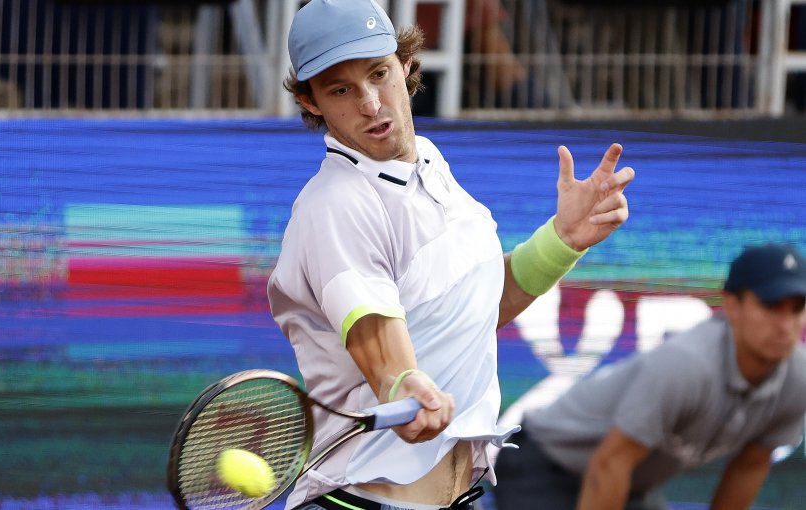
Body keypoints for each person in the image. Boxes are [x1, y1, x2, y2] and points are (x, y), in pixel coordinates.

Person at [268, 1, 634, 509]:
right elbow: (371, 330)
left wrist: (561, 240)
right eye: (341, 90)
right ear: (311, 103)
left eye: (379, 74)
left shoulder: (431, 166)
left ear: (407, 66)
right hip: (362, 502)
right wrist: (401, 384)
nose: (371, 103)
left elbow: (475, 309)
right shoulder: (336, 205)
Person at [493, 243, 806, 510]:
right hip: (543, 463)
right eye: (770, 305)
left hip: (627, 481)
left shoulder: (798, 377)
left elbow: (750, 465)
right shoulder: (688, 365)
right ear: (731, 304)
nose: (785, 324)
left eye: (797, 308)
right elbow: (608, 465)